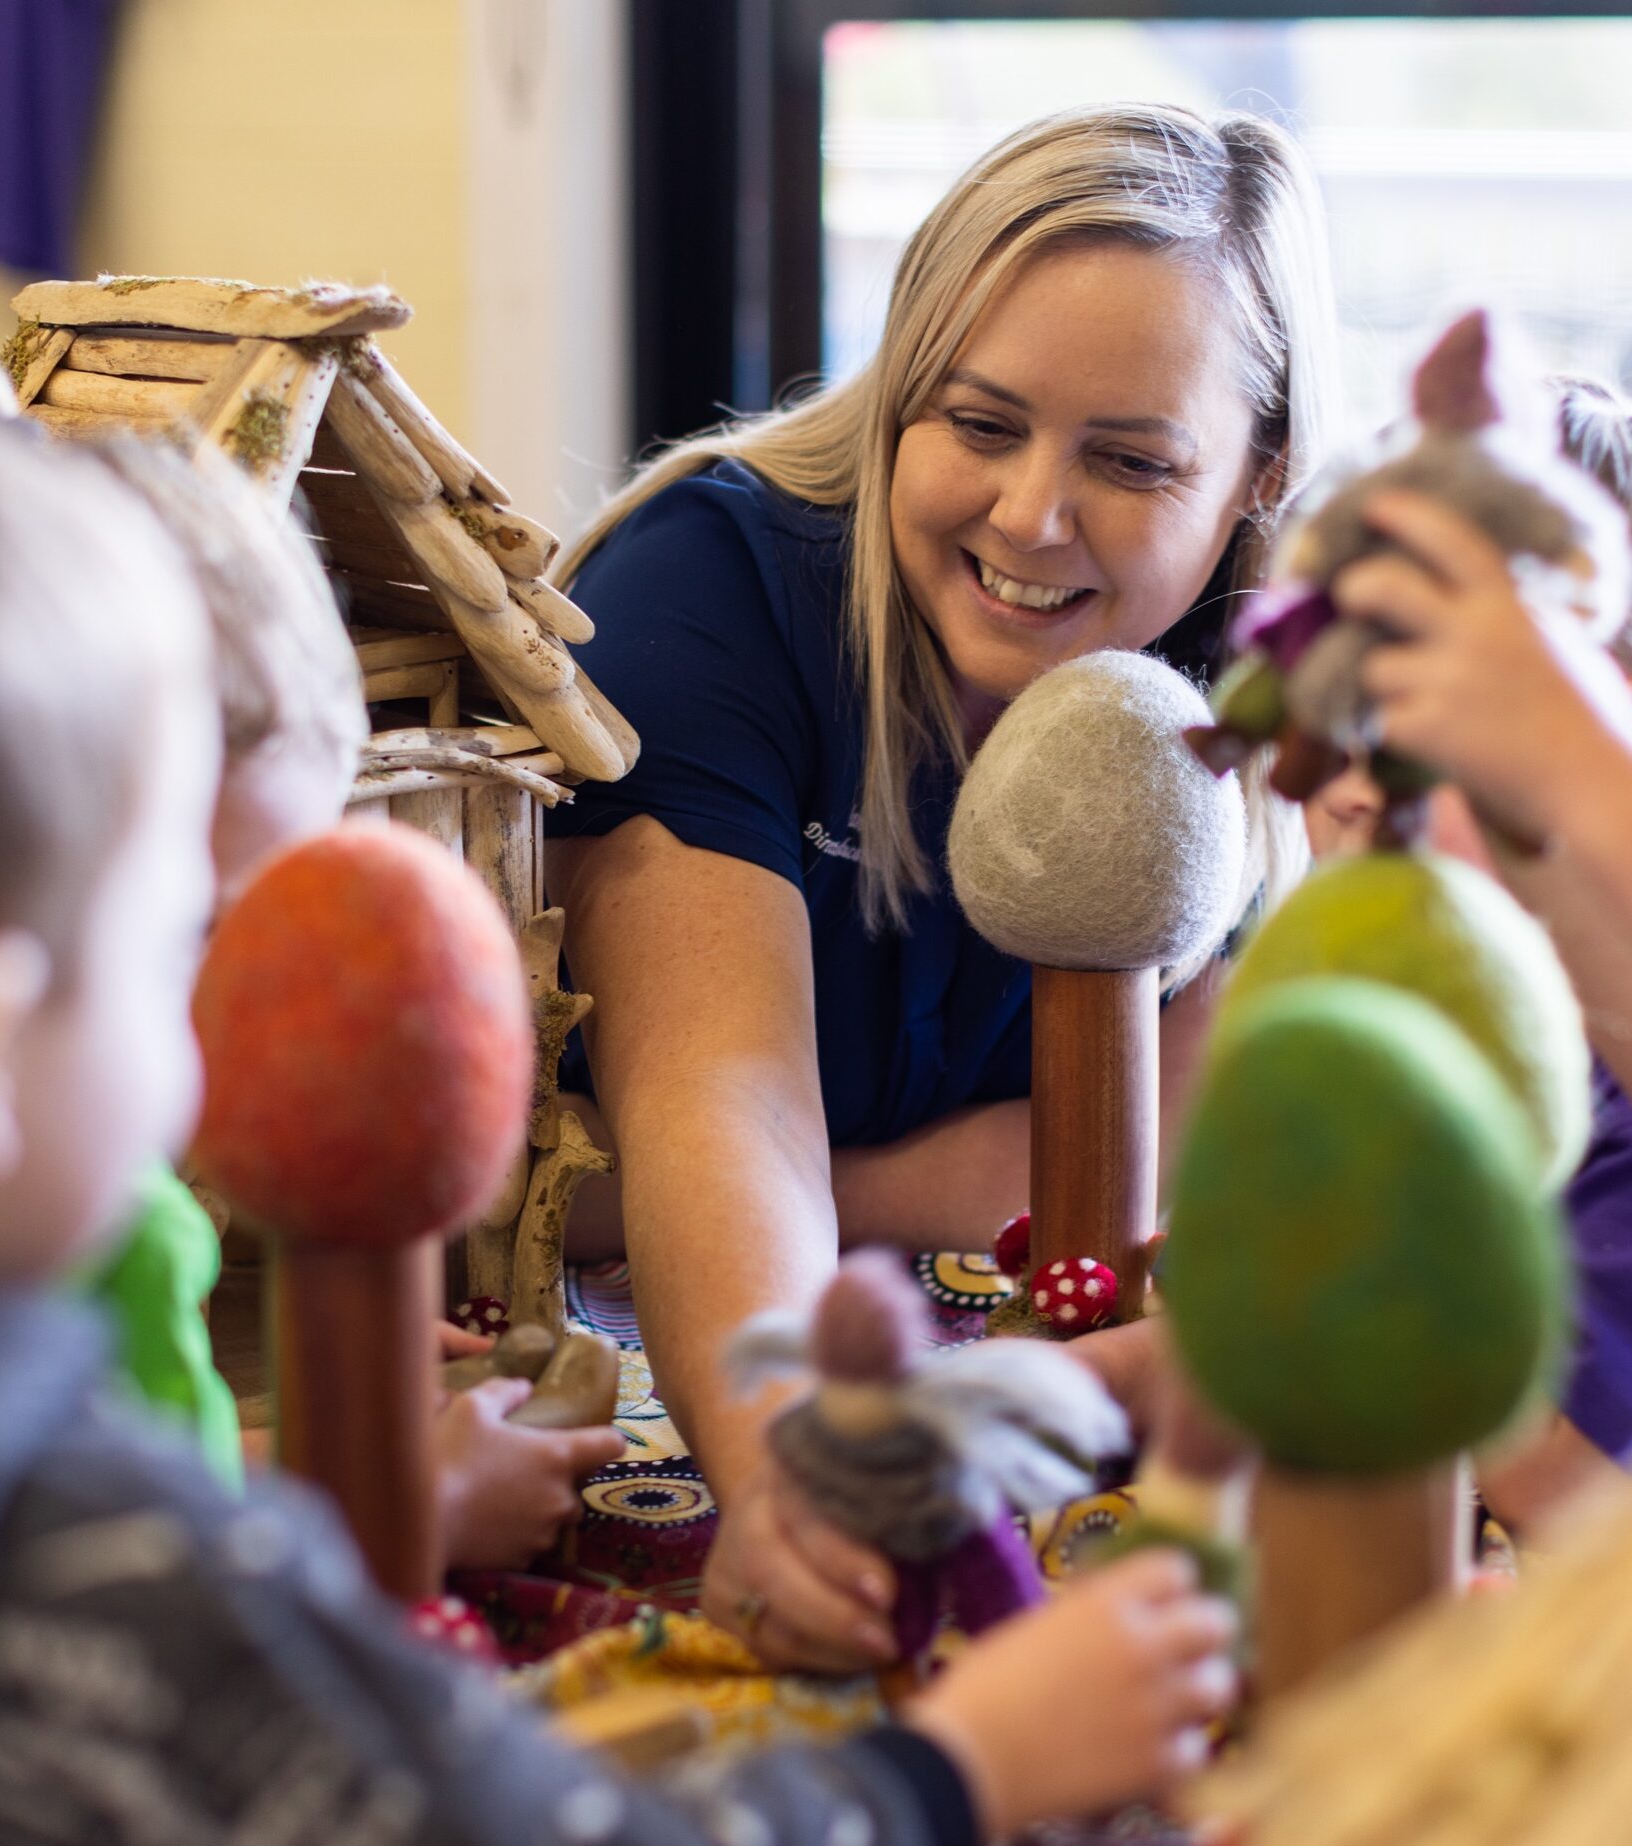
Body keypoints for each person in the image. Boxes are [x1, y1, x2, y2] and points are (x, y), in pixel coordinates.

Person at [0, 401, 1241, 1842]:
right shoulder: (108, 1569)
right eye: (169, 943)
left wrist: (316, 1487)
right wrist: (962, 1766)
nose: (203, 1043)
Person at [542, 102, 1337, 1672]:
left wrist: (807, 1186)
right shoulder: (703, 593)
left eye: (1129, 460)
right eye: (978, 424)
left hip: (936, 1321)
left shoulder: (1283, 694)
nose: (1031, 515)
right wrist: (785, 1471)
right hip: (665, 1334)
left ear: (1261, 472)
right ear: (901, 390)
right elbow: (723, 1103)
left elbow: (1167, 1151)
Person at [82, 432, 627, 1565]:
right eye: (185, 935)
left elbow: (130, 1459)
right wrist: (390, 1497)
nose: (233, 1003)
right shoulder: (69, 1220)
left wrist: (330, 1418)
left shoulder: (116, 1195)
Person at [1307, 375, 1632, 1527]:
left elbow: (1573, 1477)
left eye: (1408, 736)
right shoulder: (1412, 982)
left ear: (1626, 731)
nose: (1342, 789)